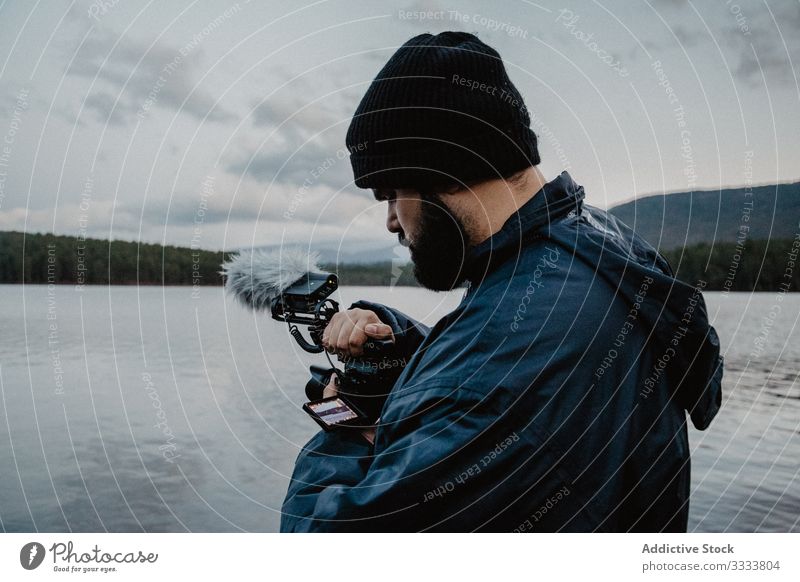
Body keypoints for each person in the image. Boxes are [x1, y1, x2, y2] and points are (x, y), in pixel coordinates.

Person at [280, 31, 722, 532]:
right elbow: (517, 381)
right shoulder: (605, 244)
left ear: (443, 169)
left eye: (390, 192)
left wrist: (341, 423)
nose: (391, 221)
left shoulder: (503, 356)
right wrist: (400, 355)